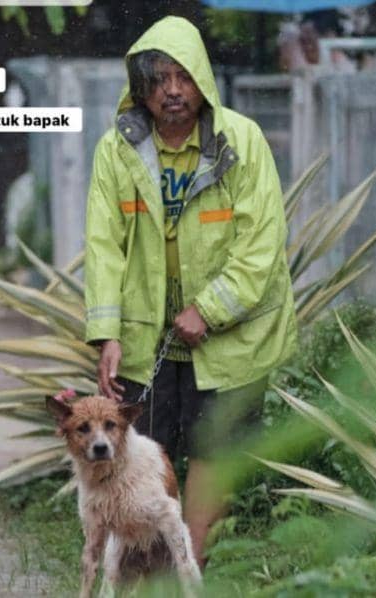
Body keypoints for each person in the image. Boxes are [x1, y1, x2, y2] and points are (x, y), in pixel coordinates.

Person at [83, 16, 297, 568]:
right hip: (147, 335)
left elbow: (262, 243)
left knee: (212, 453)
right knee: (144, 456)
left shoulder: (241, 141)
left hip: (231, 339)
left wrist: (210, 308)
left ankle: (190, 571)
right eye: (159, 80)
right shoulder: (117, 151)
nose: (172, 90)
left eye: (183, 76)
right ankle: (147, 570)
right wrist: (106, 333)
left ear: (202, 79)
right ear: (141, 89)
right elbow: (104, 246)